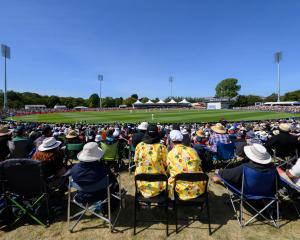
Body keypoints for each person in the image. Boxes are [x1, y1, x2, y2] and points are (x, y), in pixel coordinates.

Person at [70, 142, 119, 211]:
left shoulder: (74, 169)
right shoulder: (103, 168)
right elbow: (112, 180)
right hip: (101, 196)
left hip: (81, 196)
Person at [167, 130, 205, 200]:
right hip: (197, 188)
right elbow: (199, 166)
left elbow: (169, 171)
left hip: (180, 189)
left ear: (171, 141)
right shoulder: (192, 150)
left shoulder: (171, 154)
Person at [134, 124, 167, 198]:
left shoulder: (139, 146)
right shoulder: (162, 147)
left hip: (142, 181)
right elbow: (166, 163)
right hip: (158, 182)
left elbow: (136, 161)